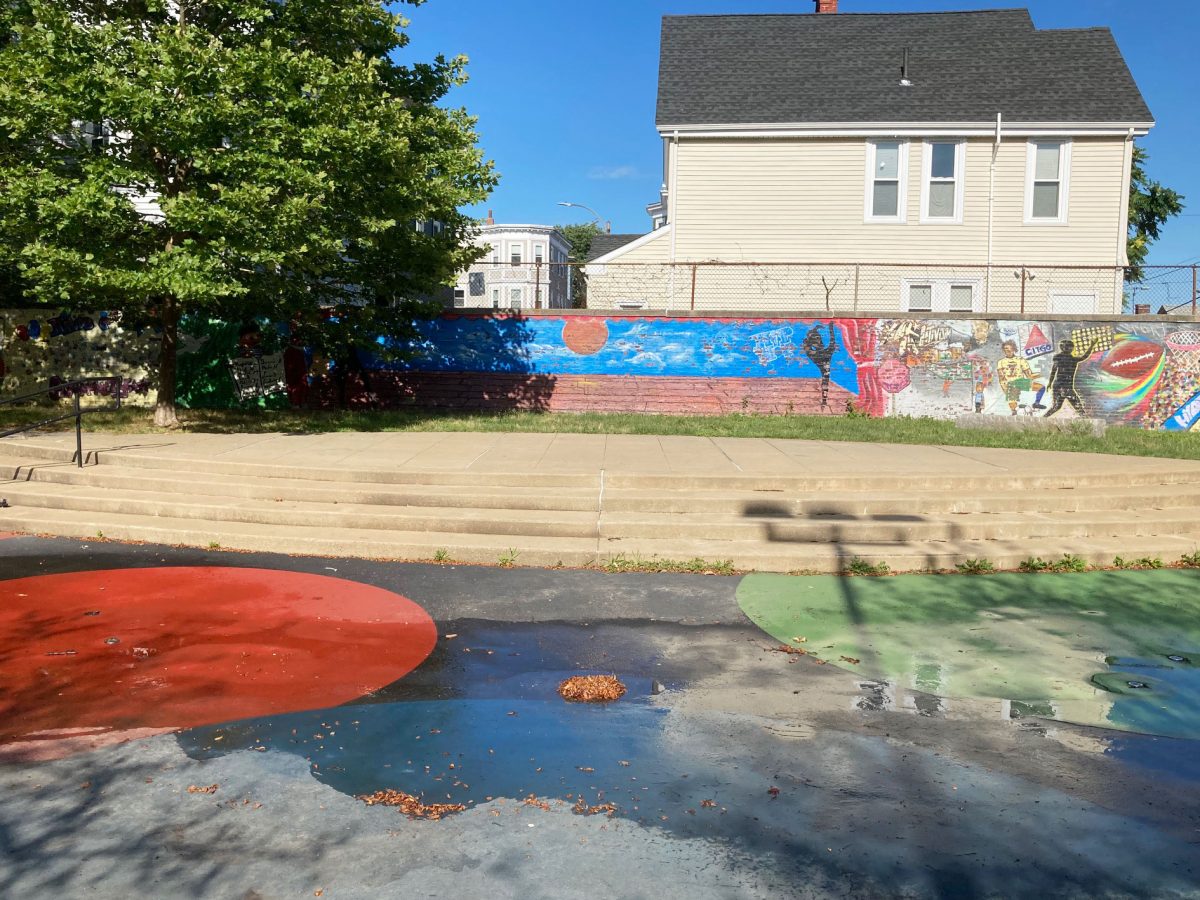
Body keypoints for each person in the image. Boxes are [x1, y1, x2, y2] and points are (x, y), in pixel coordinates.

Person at [1044, 338, 1099, 418]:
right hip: (1064, 386)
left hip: (1060, 386)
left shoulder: (1070, 359)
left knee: (1056, 407)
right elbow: (1054, 370)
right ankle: (1085, 420)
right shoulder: (1064, 358)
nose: (1071, 348)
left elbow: (1054, 370)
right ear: (1064, 348)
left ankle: (1043, 418)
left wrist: (1050, 383)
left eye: (1071, 347)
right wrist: (1091, 345)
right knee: (1077, 405)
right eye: (1069, 347)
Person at [995, 340, 1045, 415]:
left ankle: (1036, 404)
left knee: (1041, 388)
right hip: (1010, 384)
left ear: (1013, 349)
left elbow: (1029, 375)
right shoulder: (1001, 362)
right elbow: (1001, 378)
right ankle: (1016, 412)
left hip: (1020, 382)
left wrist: (1041, 374)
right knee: (1013, 409)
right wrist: (1005, 389)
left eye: (1009, 348)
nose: (1007, 350)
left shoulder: (1021, 360)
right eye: (1005, 348)